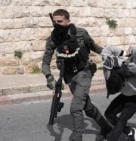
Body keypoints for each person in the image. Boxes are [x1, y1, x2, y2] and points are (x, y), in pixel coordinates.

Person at [41, 9, 112, 141]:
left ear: (68, 21)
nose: (57, 24)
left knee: (75, 108)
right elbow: (45, 62)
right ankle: (106, 127)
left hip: (84, 73)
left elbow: (95, 47)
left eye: (60, 21)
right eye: (55, 21)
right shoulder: (53, 39)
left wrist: (112, 55)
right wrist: (49, 77)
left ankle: (77, 137)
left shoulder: (80, 33)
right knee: (88, 107)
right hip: (69, 77)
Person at [101, 45, 136, 141]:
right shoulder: (109, 67)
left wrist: (133, 53)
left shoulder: (133, 71)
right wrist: (122, 53)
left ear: (122, 84)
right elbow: (106, 49)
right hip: (124, 95)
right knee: (109, 114)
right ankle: (129, 131)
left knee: (122, 119)